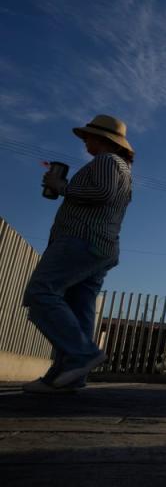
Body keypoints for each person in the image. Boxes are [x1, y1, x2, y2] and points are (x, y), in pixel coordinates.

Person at [22, 114, 134, 393]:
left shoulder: (107, 161)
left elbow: (102, 193)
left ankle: (81, 354)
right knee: (78, 308)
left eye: (88, 137)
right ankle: (68, 375)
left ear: (103, 139)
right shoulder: (122, 169)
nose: (85, 141)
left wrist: (63, 187)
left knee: (41, 292)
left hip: (81, 241)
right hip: (102, 246)